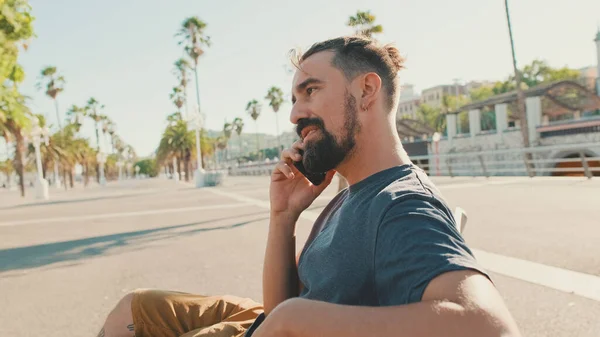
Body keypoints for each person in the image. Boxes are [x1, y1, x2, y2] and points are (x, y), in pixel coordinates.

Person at [97, 35, 522, 337]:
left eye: (311, 91)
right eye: (295, 98)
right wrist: (283, 217)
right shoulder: (350, 193)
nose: (295, 114)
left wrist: (294, 320)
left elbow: (489, 326)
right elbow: (278, 307)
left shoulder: (402, 204)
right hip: (262, 320)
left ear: (366, 91)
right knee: (134, 308)